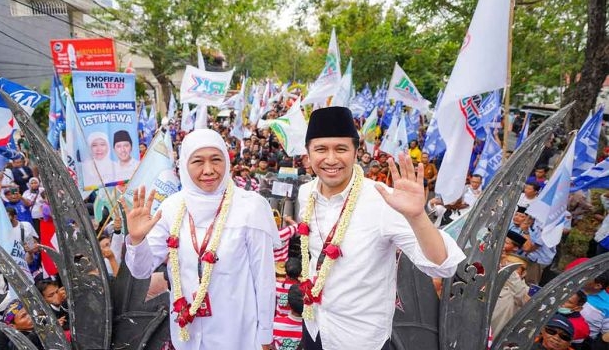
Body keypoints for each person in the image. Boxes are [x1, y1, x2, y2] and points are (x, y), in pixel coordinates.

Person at [297, 107, 465, 350]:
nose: (331, 159)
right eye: (321, 149)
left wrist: (417, 216)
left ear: (356, 151)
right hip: (314, 327)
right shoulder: (306, 194)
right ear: (308, 154)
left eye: (341, 149)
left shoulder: (382, 200)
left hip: (360, 340)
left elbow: (444, 265)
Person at [123, 129, 278, 349]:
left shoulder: (250, 207)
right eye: (198, 161)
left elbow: (264, 280)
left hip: (237, 336)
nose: (208, 170)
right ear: (184, 164)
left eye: (216, 160)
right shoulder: (171, 207)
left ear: (227, 161)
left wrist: (265, 336)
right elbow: (141, 270)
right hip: (187, 336)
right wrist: (137, 241)